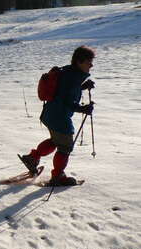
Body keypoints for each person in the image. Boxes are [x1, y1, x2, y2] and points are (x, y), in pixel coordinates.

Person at [20, 46, 95, 186]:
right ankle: (58, 176)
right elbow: (66, 101)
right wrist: (83, 108)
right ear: (79, 61)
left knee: (56, 140)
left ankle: (32, 158)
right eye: (88, 61)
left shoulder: (68, 71)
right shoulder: (73, 77)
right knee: (65, 146)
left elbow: (63, 91)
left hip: (50, 114)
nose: (91, 64)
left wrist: (82, 87)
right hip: (59, 117)